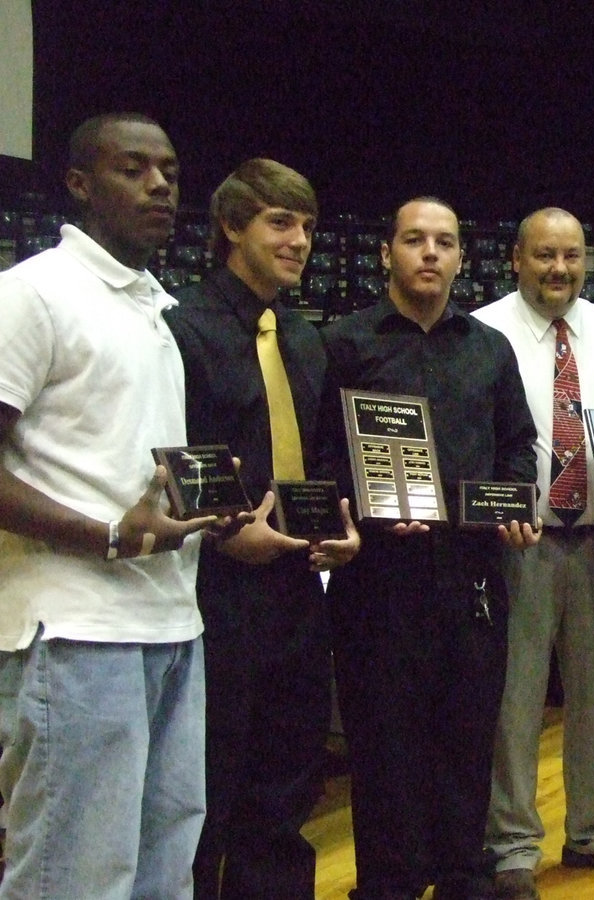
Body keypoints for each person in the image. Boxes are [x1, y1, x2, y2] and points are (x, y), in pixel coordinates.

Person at [0, 113, 217, 898]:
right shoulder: (31, 295)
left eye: (169, 170)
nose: (160, 185)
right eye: (133, 169)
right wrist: (107, 535)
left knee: (164, 873)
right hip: (75, 630)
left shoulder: (154, 307)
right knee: (74, 876)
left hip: (172, 622)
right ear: (79, 184)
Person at [317, 197, 540, 900]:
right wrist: (364, 512)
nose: (429, 253)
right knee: (383, 743)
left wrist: (513, 502)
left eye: (444, 241)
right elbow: (323, 453)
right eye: (414, 239)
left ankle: (463, 875)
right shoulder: (345, 343)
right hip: (376, 576)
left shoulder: (488, 349)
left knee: (466, 737)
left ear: (460, 259)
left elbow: (517, 447)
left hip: (472, 573)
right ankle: (386, 882)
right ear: (388, 252)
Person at [164, 158, 360, 899]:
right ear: (230, 227)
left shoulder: (306, 338)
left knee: (288, 778)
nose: (300, 240)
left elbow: (317, 458)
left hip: (294, 584)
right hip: (210, 589)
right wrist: (217, 532)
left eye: (307, 225)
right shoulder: (178, 328)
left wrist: (341, 528)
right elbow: (168, 450)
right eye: (281, 222)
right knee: (205, 783)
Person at [473, 208, 594, 900]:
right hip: (518, 546)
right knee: (514, 704)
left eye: (572, 256)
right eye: (545, 255)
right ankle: (512, 846)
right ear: (516, 259)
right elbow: (473, 439)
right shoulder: (482, 333)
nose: (560, 269)